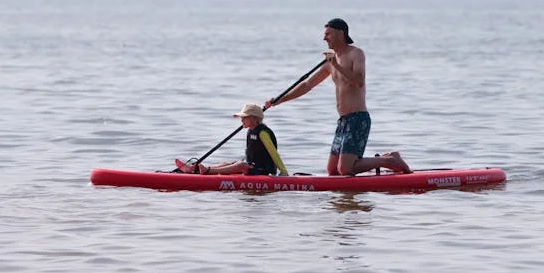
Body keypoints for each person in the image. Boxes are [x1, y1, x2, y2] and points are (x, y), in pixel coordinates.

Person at [264, 18, 411, 176]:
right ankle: (385, 161)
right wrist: (279, 100)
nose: (324, 38)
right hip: (343, 121)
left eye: (328, 34)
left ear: (340, 33)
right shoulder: (330, 62)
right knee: (333, 171)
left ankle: (389, 161)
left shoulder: (356, 53)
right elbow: (307, 85)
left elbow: (359, 81)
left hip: (358, 119)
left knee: (345, 169)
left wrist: (336, 65)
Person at [176, 103, 288, 176]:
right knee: (228, 163)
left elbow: (274, 153)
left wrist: (283, 171)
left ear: (254, 118)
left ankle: (208, 171)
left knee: (240, 165)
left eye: (244, 117)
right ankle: (193, 169)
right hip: (253, 166)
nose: (241, 120)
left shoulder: (263, 133)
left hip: (264, 171)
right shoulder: (251, 130)